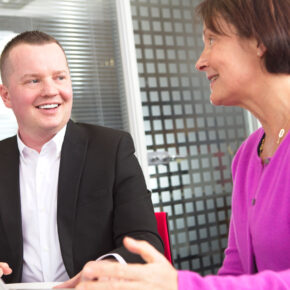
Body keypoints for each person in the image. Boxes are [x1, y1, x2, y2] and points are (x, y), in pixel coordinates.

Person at [73, 0, 290, 289]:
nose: (200, 61)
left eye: (212, 39)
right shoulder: (247, 155)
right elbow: (236, 272)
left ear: (260, 40)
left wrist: (181, 285)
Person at [0, 31, 163, 285]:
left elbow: (144, 242)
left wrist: (102, 273)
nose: (51, 90)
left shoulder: (112, 149)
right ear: (6, 95)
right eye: (33, 81)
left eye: (60, 77)